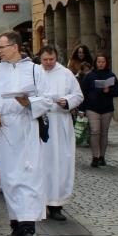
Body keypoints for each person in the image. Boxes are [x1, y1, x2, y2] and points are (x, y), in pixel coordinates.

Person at [0, 32, 53, 236]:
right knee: (10, 177)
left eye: (1, 47)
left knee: (30, 174)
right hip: (4, 129)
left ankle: (28, 225)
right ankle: (16, 224)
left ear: (14, 47)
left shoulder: (34, 70)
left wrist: (28, 103)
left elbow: (46, 98)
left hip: (26, 126)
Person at [38, 46, 84, 221]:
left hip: (60, 123)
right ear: (40, 59)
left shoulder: (66, 74)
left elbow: (78, 96)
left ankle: (56, 204)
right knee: (42, 162)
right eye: (45, 60)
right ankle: (41, 201)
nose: (48, 63)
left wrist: (66, 101)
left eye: (51, 59)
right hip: (41, 122)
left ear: (56, 58)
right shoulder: (36, 73)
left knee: (59, 163)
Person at [80, 52, 118, 167]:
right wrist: (81, 109)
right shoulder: (89, 76)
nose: (101, 64)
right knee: (95, 131)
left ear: (106, 63)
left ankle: (102, 157)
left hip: (107, 108)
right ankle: (95, 156)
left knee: (104, 133)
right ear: (95, 63)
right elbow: (82, 92)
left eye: (103, 62)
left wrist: (109, 91)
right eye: (99, 62)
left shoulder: (111, 75)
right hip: (92, 108)